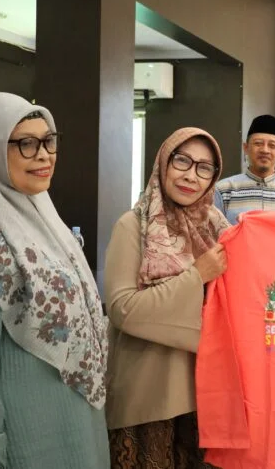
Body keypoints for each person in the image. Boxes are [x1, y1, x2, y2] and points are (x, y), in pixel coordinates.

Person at [0, 92, 109, 468]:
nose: (44, 155)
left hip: (76, 416)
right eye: (26, 143)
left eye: (49, 141)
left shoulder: (45, 216)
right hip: (27, 429)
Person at [104, 127, 229, 468]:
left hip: (205, 394)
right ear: (163, 162)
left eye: (204, 168)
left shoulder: (216, 229)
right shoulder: (133, 226)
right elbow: (122, 309)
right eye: (182, 161)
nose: (191, 175)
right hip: (150, 394)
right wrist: (196, 276)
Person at [214, 114, 275, 224]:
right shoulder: (223, 191)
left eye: (272, 145)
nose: (265, 150)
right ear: (246, 148)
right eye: (258, 144)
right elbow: (213, 232)